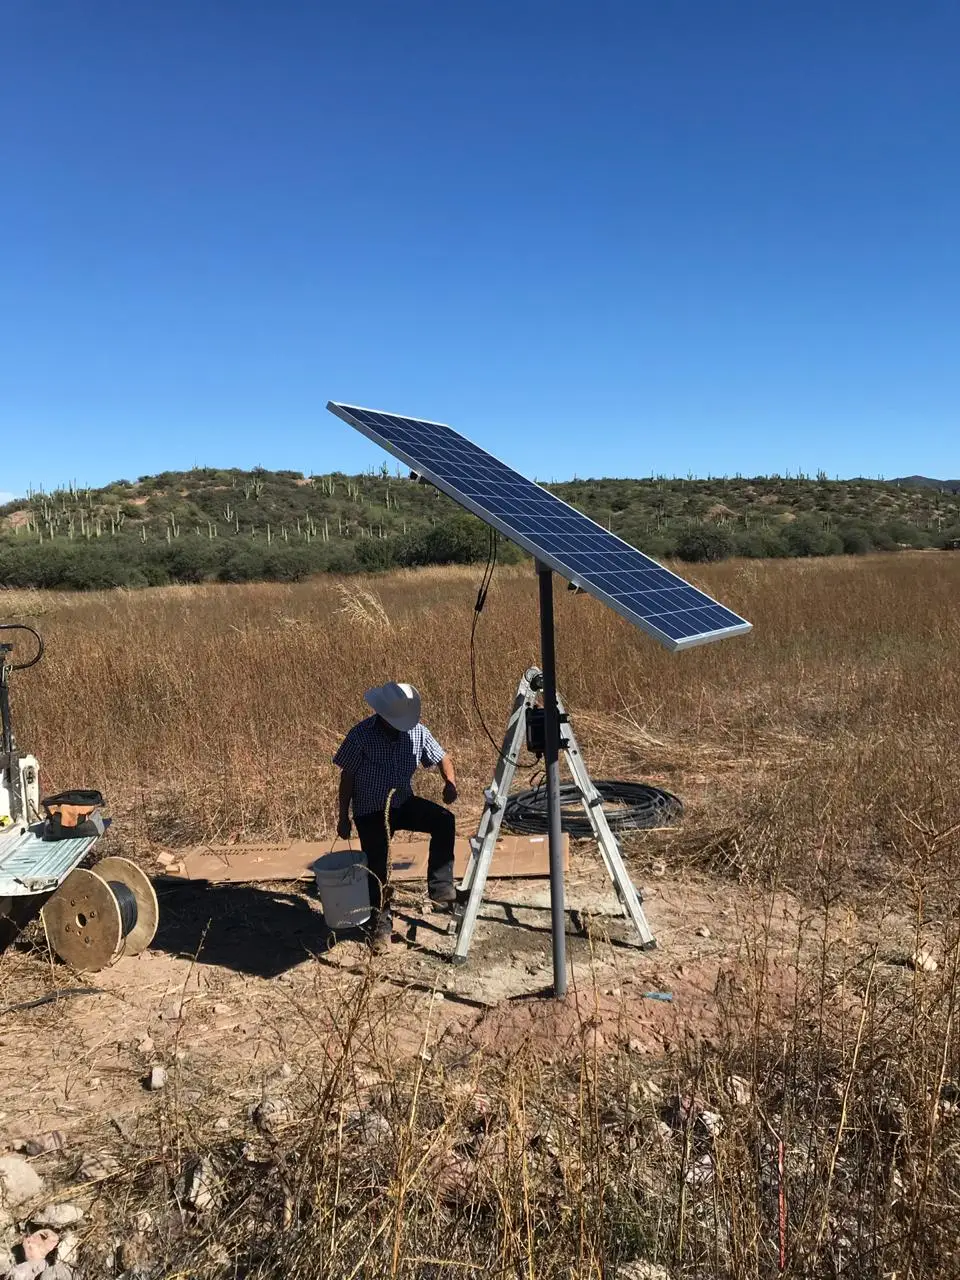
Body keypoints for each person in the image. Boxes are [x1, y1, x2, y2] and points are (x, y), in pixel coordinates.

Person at [333, 681, 458, 951]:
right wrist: (343, 817)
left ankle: (441, 889)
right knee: (378, 865)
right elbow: (347, 777)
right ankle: (381, 925)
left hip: (402, 802)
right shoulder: (361, 735)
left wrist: (450, 783)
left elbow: (442, 757)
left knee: (444, 820)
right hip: (370, 810)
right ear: (381, 715)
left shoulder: (418, 732)